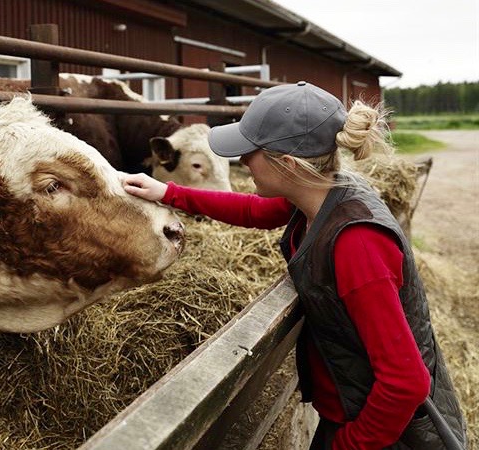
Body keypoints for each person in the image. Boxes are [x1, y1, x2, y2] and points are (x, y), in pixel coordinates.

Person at [123, 81, 467, 450]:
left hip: (383, 432)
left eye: (249, 152)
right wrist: (169, 193)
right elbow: (253, 210)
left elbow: (405, 381)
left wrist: (347, 445)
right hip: (351, 410)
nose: (242, 163)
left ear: (287, 164)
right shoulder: (322, 193)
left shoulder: (356, 245)